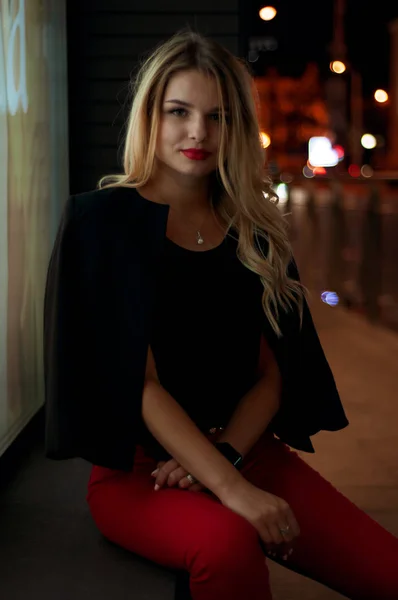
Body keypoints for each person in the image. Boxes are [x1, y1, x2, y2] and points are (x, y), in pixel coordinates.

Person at [43, 29, 398, 600]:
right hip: (140, 474)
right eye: (178, 111)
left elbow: (276, 373)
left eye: (218, 116)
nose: (198, 133)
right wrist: (228, 486)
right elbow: (139, 382)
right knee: (226, 545)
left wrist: (228, 456)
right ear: (149, 116)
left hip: (247, 449)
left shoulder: (255, 227)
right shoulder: (100, 223)